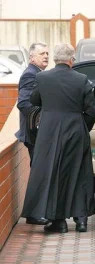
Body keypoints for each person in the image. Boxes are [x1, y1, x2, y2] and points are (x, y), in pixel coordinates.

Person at [21, 43, 95, 233]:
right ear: (71, 60)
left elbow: (33, 100)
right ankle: (81, 221)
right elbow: (91, 110)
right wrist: (82, 127)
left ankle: (59, 221)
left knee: (53, 174)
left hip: (49, 132)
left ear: (55, 59)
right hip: (76, 130)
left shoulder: (42, 77)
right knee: (80, 173)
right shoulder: (82, 79)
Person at [15, 42, 49, 226]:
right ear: (32, 57)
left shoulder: (39, 74)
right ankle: (34, 214)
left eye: (47, 53)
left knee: (40, 172)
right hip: (34, 134)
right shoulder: (30, 74)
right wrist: (41, 120)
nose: (46, 56)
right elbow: (24, 103)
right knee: (38, 173)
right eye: (42, 53)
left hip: (37, 134)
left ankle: (36, 212)